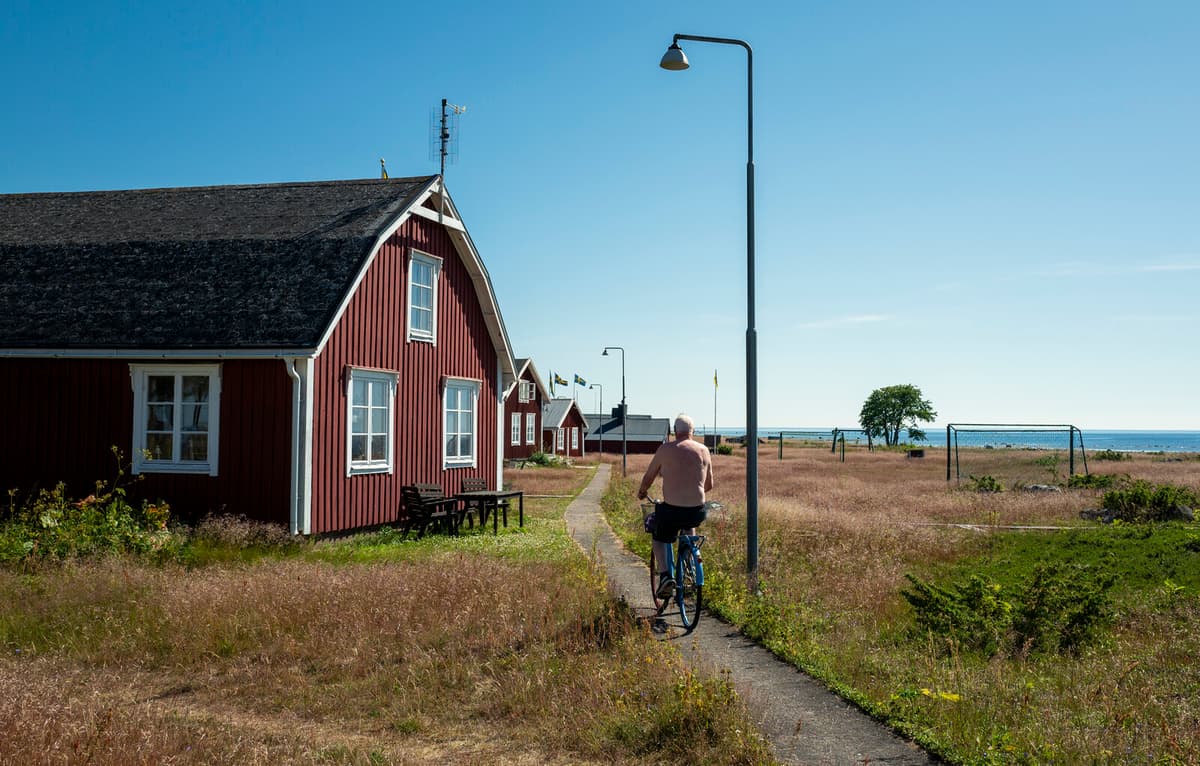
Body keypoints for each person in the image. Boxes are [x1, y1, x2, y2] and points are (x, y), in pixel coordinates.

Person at [636, 413, 714, 599]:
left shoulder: (665, 449)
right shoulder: (704, 450)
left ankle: (665, 576)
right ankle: (689, 564)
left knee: (659, 534)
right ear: (692, 431)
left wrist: (642, 491)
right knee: (689, 526)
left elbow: (649, 477)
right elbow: (709, 484)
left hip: (671, 510)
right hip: (697, 511)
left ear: (674, 431)